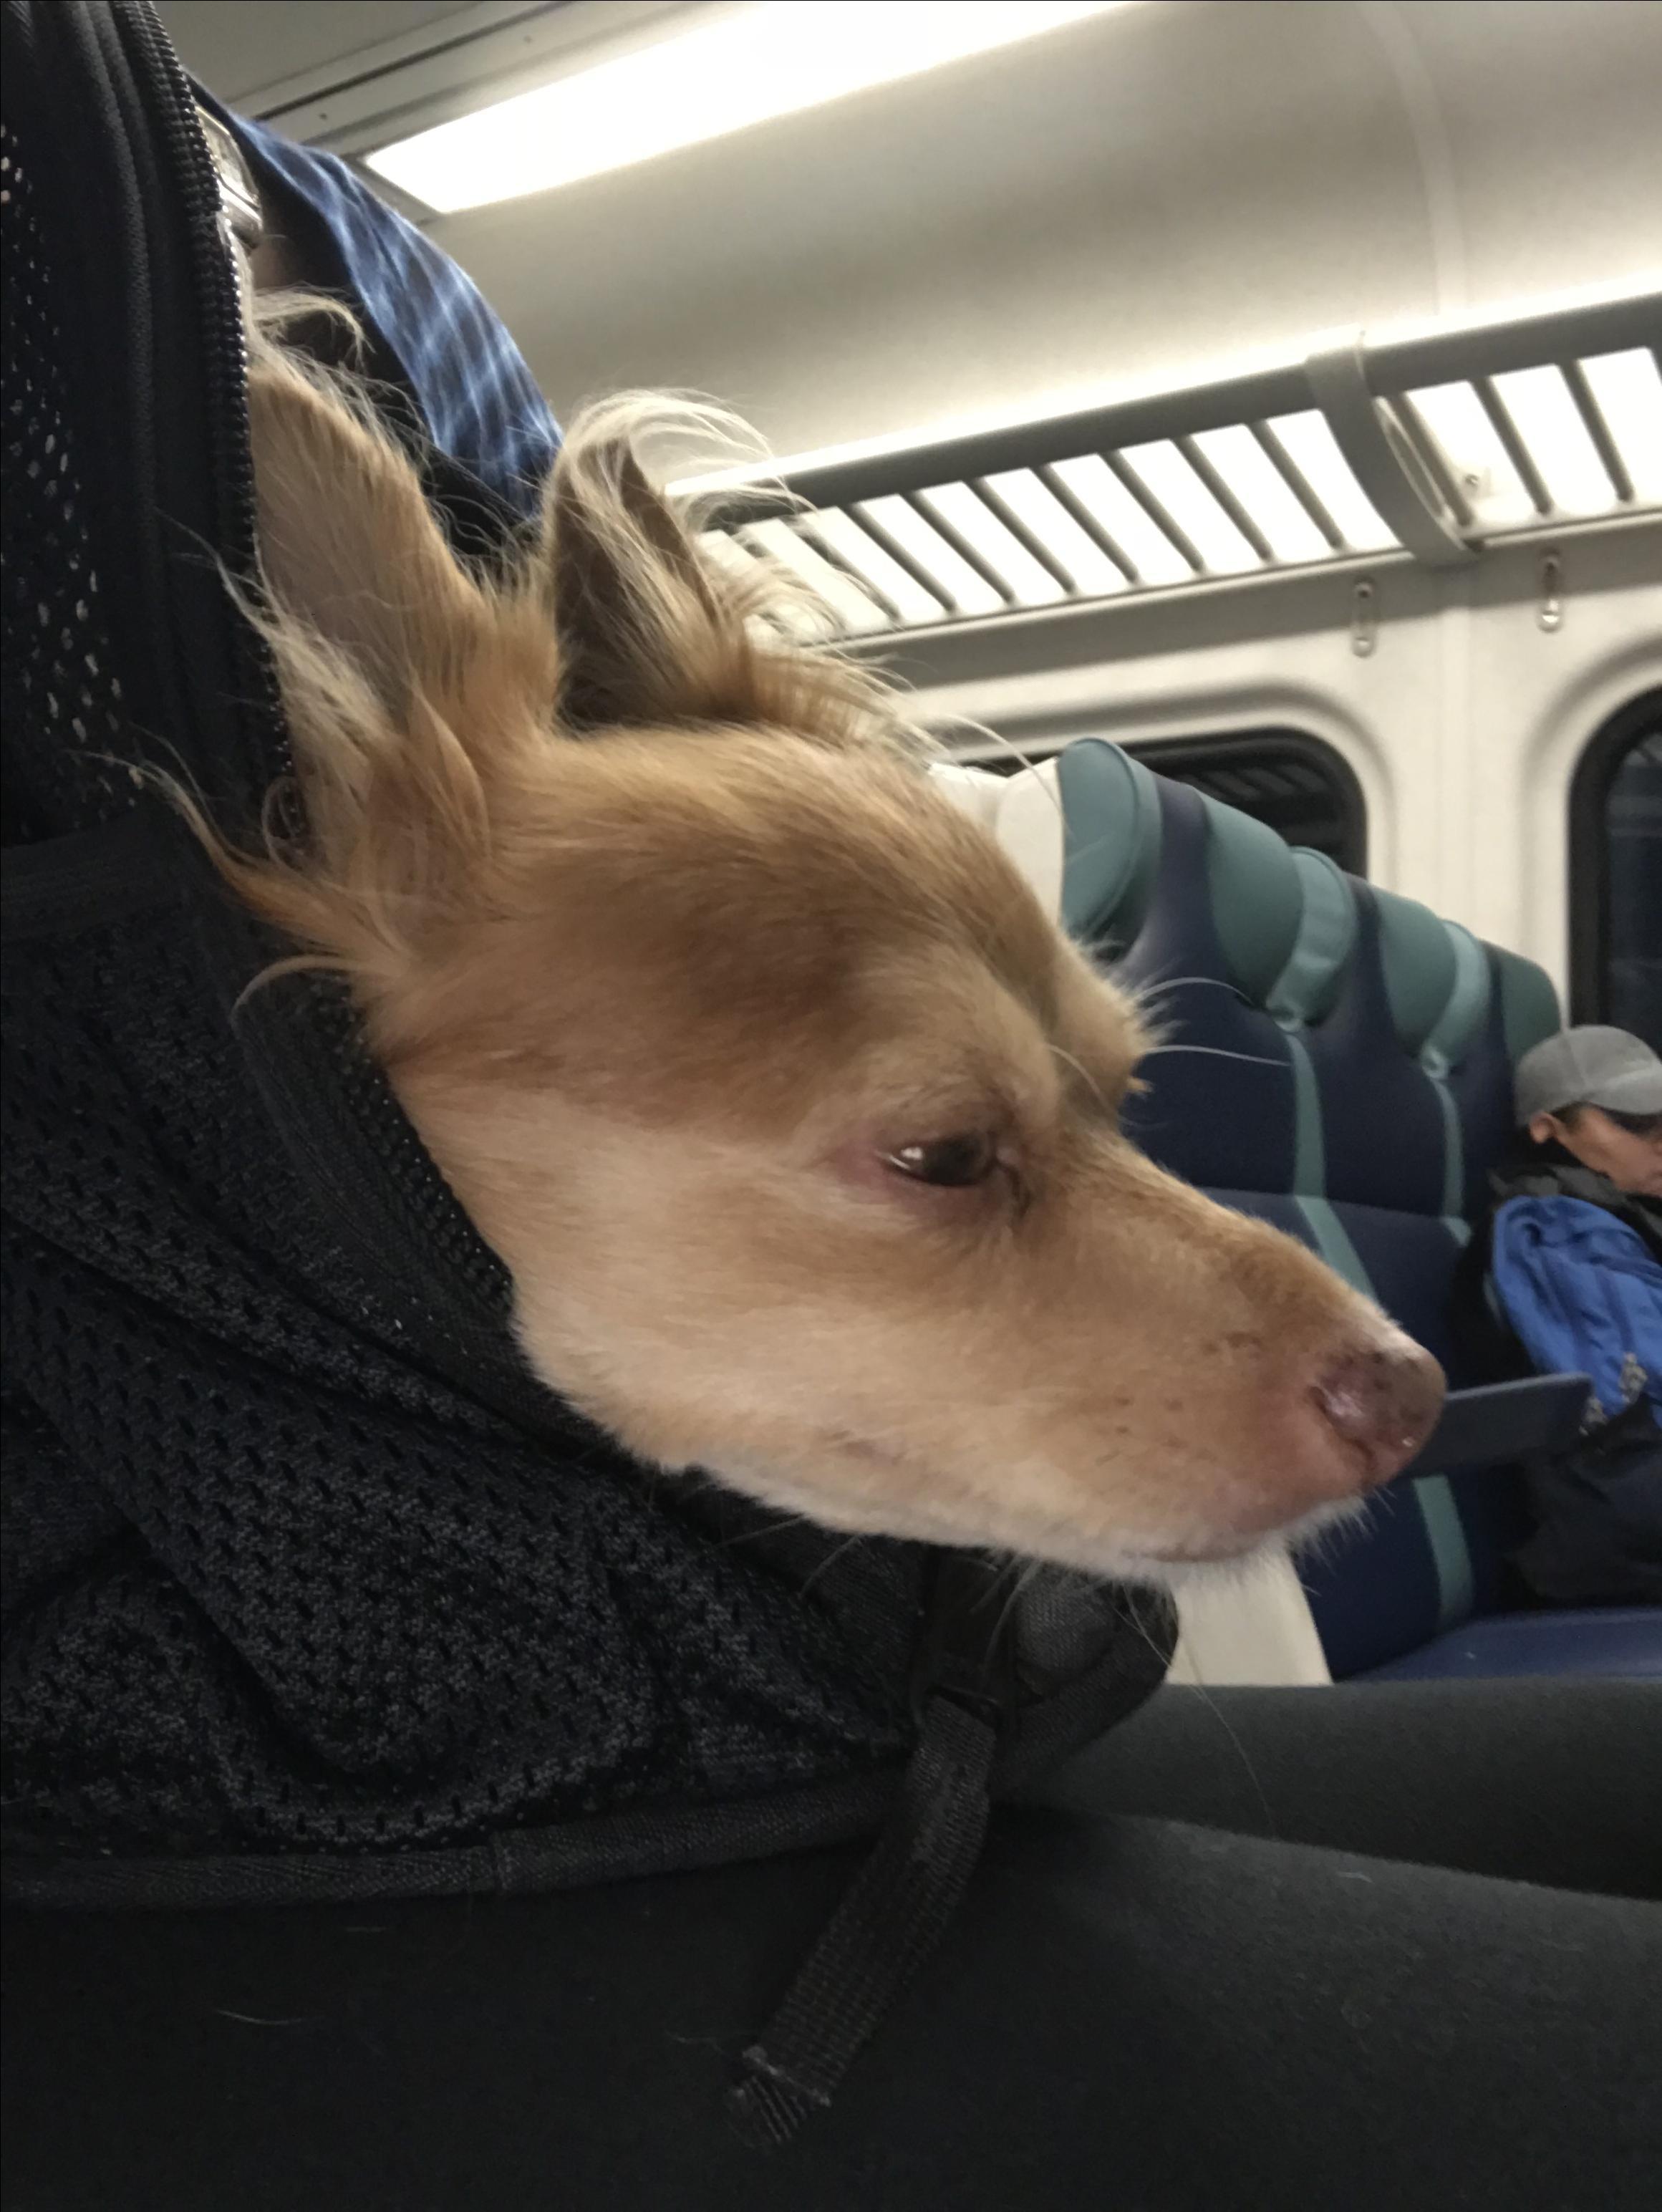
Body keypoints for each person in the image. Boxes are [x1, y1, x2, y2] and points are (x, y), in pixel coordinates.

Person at [3, 20, 1659, 2208]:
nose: (1368, 1365)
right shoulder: (380, 903)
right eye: (942, 1158)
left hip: (812, 1739)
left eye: (1074, 1113)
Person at [1451, 1028, 1662, 1605]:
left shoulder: (1623, 1221)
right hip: (1627, 1529)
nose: (1660, 1141)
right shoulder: (1557, 1227)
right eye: (1634, 1123)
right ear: (1550, 1130)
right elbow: (1635, 1391)